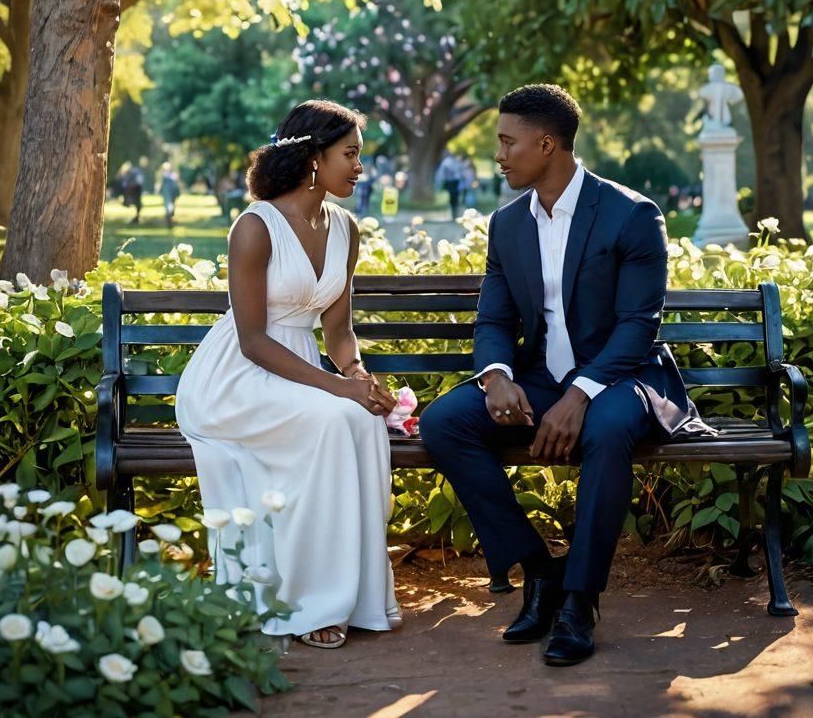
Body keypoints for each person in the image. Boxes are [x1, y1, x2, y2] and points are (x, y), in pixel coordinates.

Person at [420, 83, 710, 667]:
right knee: (444, 422)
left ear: (546, 143)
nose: (497, 155)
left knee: (605, 429)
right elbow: (494, 319)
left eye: (507, 142)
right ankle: (540, 571)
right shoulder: (507, 225)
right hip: (540, 379)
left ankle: (580, 600)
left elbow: (638, 327)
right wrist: (497, 377)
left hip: (625, 377)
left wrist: (579, 393)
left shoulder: (630, 214)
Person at [176, 100, 401, 648]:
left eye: (359, 155)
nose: (359, 166)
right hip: (235, 376)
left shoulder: (346, 228)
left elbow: (339, 328)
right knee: (329, 420)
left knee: (364, 422)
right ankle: (305, 604)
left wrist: (358, 376)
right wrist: (337, 387)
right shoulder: (254, 227)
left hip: (299, 370)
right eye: (349, 154)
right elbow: (253, 341)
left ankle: (359, 596)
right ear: (313, 158)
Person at [159, 162, 181, 227]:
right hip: (170, 192)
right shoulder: (172, 175)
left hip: (169, 192)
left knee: (169, 205)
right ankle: (170, 218)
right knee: (170, 205)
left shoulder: (168, 176)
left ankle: (170, 218)